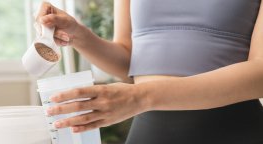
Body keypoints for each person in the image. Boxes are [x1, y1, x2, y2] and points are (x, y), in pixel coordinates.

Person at [36, 0, 263, 143]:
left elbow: (260, 73)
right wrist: (78, 36)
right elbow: (129, 61)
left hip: (233, 128)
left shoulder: (141, 98)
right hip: (150, 130)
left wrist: (141, 96)